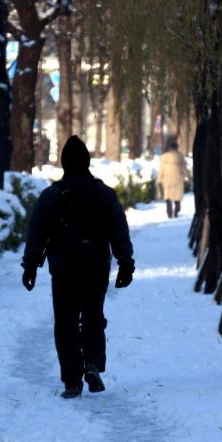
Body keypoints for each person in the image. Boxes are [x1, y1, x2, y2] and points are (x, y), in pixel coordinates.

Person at [21, 135, 134, 399]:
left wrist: (30, 266)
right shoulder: (103, 194)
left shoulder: (52, 196)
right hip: (96, 265)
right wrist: (125, 263)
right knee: (93, 315)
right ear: (87, 161)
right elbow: (118, 229)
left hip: (63, 268)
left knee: (66, 322)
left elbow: (36, 233)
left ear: (64, 164)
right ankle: (92, 364)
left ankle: (72, 379)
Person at [157, 136, 186, 219]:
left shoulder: (164, 157)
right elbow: (184, 168)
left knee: (168, 196)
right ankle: (177, 211)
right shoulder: (180, 157)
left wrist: (159, 178)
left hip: (167, 180)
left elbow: (161, 169)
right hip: (178, 179)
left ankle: (169, 212)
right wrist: (189, 177)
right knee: (177, 197)